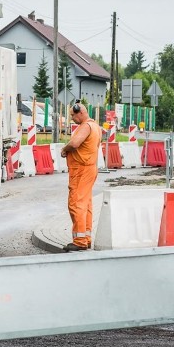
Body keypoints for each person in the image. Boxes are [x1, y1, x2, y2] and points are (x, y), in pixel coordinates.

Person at [60, 101, 101, 252]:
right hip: (90, 168)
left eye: (73, 115)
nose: (72, 119)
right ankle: (86, 238)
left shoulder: (85, 126)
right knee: (86, 204)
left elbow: (75, 143)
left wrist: (65, 149)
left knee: (76, 203)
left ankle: (79, 241)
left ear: (80, 112)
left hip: (81, 170)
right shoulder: (95, 126)